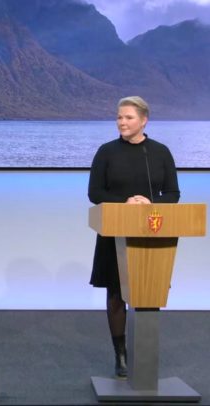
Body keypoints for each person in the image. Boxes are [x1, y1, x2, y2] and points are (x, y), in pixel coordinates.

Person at [88, 96, 179, 379]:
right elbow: (95, 193)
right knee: (116, 294)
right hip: (114, 232)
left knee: (147, 293)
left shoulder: (160, 152)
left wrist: (150, 204)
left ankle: (145, 356)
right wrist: (125, 203)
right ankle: (121, 356)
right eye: (119, 117)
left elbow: (173, 194)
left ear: (143, 121)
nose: (122, 122)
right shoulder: (106, 152)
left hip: (150, 233)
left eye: (128, 117)